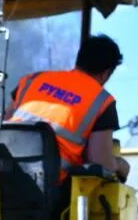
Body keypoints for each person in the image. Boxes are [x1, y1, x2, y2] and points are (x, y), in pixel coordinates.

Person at [7, 34, 131, 183]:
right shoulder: (102, 101)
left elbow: (6, 123)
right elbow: (100, 161)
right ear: (107, 73)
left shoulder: (31, 80)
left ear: (79, 59)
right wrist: (120, 165)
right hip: (47, 188)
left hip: (2, 172)